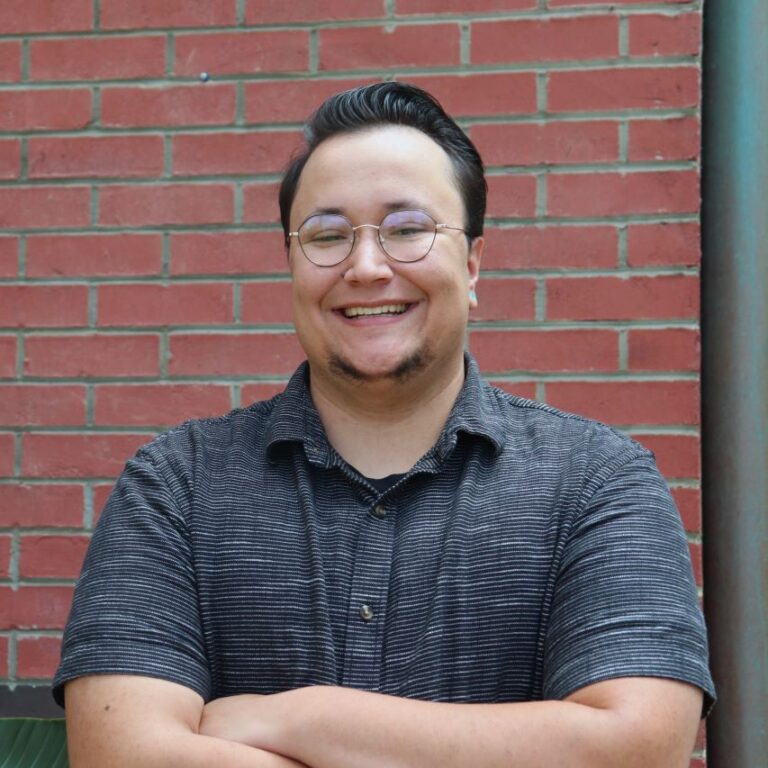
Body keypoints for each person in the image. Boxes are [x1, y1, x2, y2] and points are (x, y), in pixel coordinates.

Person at [55, 82, 715, 768]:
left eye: (407, 229)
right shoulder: (176, 487)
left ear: (473, 264)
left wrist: (299, 717)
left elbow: (636, 750)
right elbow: (121, 755)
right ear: (291, 265)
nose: (366, 267)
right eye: (327, 236)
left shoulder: (599, 482)